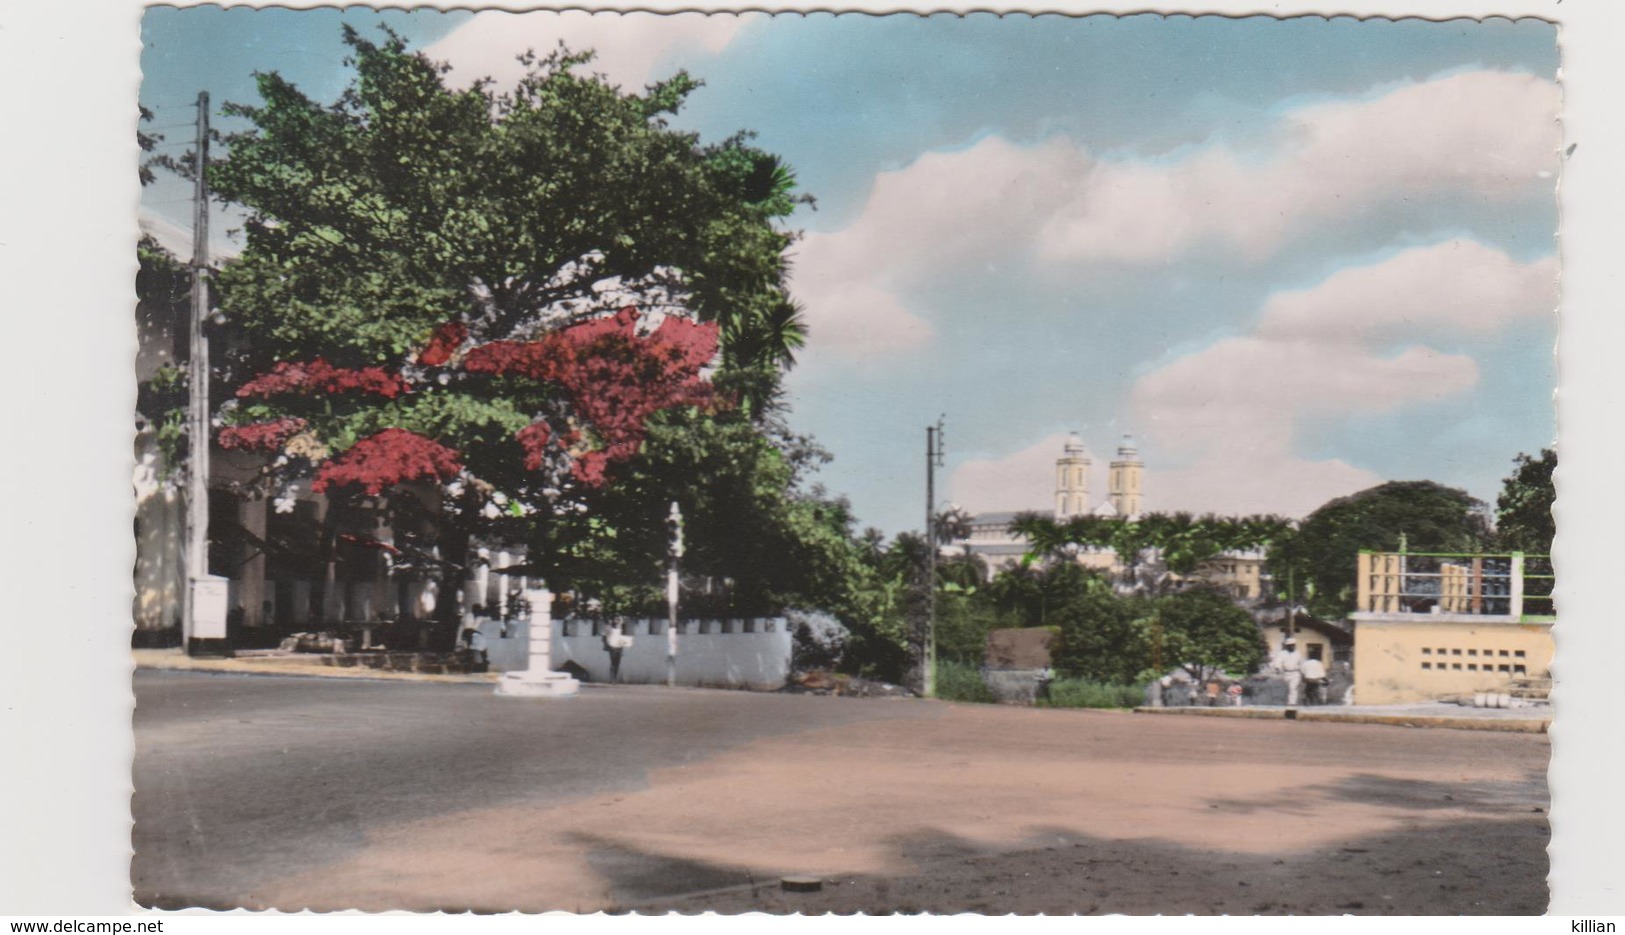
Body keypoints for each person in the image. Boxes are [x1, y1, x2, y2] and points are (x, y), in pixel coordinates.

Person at [1272, 637, 1304, 706]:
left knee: (1293, 688)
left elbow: (1301, 663)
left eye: (1293, 645)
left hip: (1295, 673)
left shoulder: (1298, 653)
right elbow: (1278, 661)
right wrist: (1278, 668)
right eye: (1290, 645)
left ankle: (1292, 703)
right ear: (1287, 646)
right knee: (1287, 689)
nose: (1292, 646)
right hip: (1286, 673)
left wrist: (1302, 673)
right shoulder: (1282, 653)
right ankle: (1286, 702)